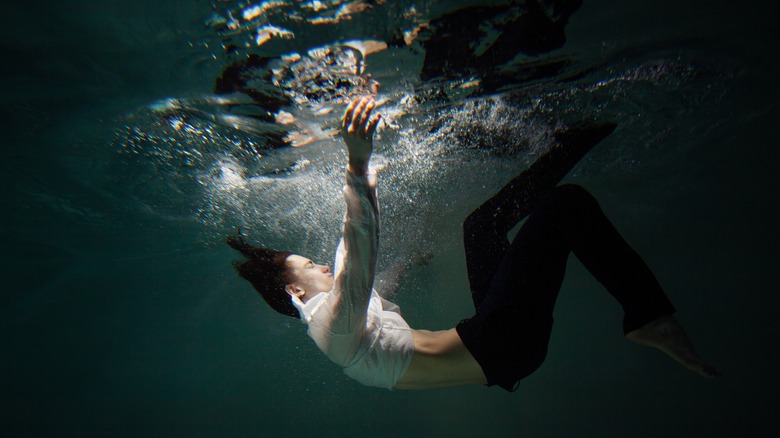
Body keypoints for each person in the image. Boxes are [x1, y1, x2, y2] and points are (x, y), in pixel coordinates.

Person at [227, 96, 719, 391]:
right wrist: (356, 167)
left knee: (478, 228)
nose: (321, 266)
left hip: (491, 344)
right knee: (565, 206)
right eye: (309, 264)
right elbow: (355, 261)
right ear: (296, 293)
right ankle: (648, 317)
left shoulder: (342, 324)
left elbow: (369, 282)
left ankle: (568, 146)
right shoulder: (330, 326)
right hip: (502, 347)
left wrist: (404, 258)